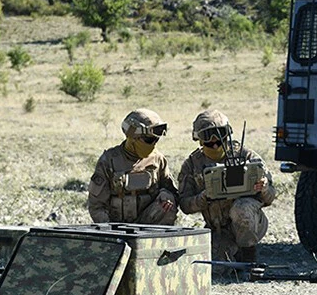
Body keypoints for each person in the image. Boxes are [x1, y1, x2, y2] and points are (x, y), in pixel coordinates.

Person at [178, 109, 276, 263]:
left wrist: (263, 188)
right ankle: (234, 252)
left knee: (241, 207)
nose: (215, 142)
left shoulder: (247, 157)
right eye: (207, 136)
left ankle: (249, 257)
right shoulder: (192, 165)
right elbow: (184, 204)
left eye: (220, 134)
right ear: (198, 138)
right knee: (218, 268)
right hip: (218, 229)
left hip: (250, 222)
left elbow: (270, 197)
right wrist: (202, 198)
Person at [87, 108, 178, 225]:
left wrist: (167, 196)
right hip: (117, 229)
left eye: (157, 140)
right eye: (149, 140)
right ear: (133, 137)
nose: (154, 144)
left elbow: (173, 193)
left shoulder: (158, 160)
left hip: (150, 228)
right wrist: (110, 231)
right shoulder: (109, 160)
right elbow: (96, 205)